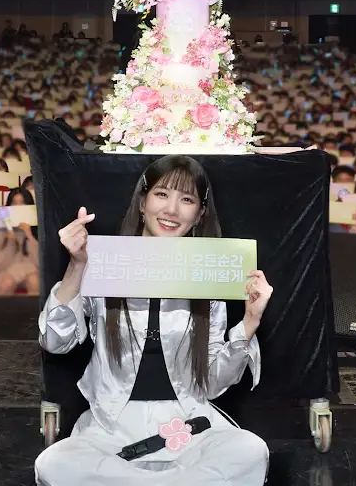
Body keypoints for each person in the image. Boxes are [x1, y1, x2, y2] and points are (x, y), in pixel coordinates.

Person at [35, 155, 271, 486]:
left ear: (200, 214)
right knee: (55, 463)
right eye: (162, 194)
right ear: (142, 203)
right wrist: (77, 265)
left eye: (186, 200)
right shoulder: (104, 263)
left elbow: (213, 384)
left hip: (189, 426)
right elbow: (55, 342)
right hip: (111, 429)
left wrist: (249, 321)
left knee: (250, 451)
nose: (172, 210)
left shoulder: (209, 277)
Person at [0, 188, 39, 295]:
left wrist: (29, 236)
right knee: (6, 283)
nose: (18, 207)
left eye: (22, 203)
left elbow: (41, 263)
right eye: (14, 203)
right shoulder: (0, 230)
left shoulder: (39, 229)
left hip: (33, 270)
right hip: (7, 270)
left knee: (34, 282)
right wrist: (10, 243)